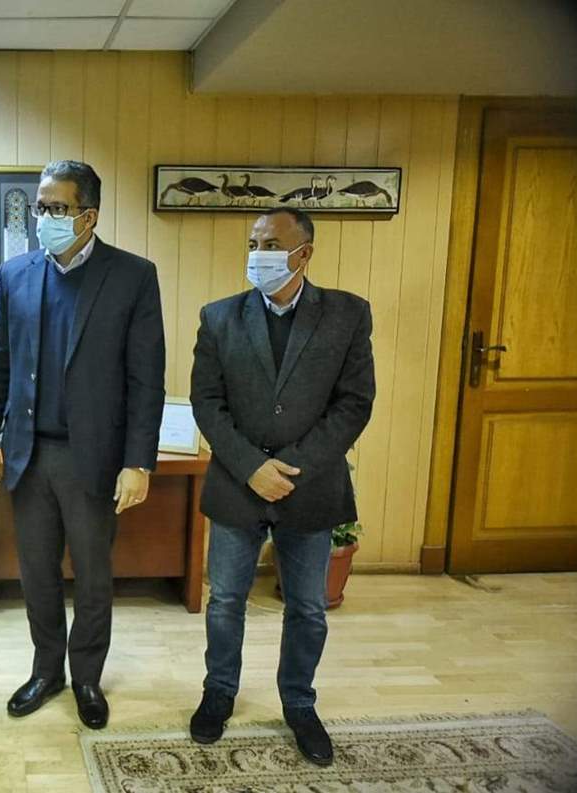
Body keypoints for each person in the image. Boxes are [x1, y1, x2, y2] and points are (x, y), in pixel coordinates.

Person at [0, 160, 165, 730]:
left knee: (93, 575)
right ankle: (46, 670)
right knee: (36, 573)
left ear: (89, 216)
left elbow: (146, 378)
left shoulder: (132, 276)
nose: (45, 218)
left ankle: (86, 676)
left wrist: (138, 461)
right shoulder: (16, 274)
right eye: (41, 207)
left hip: (95, 458)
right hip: (28, 454)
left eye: (57, 208)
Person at [188, 207, 375, 765]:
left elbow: (354, 404)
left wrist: (291, 467)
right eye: (253, 243)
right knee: (225, 601)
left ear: (303, 253)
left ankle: (298, 703)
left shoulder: (346, 315)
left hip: (308, 486)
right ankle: (218, 692)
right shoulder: (219, 317)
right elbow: (207, 402)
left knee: (308, 608)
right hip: (237, 483)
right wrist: (252, 467)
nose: (258, 253)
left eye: (270, 243)